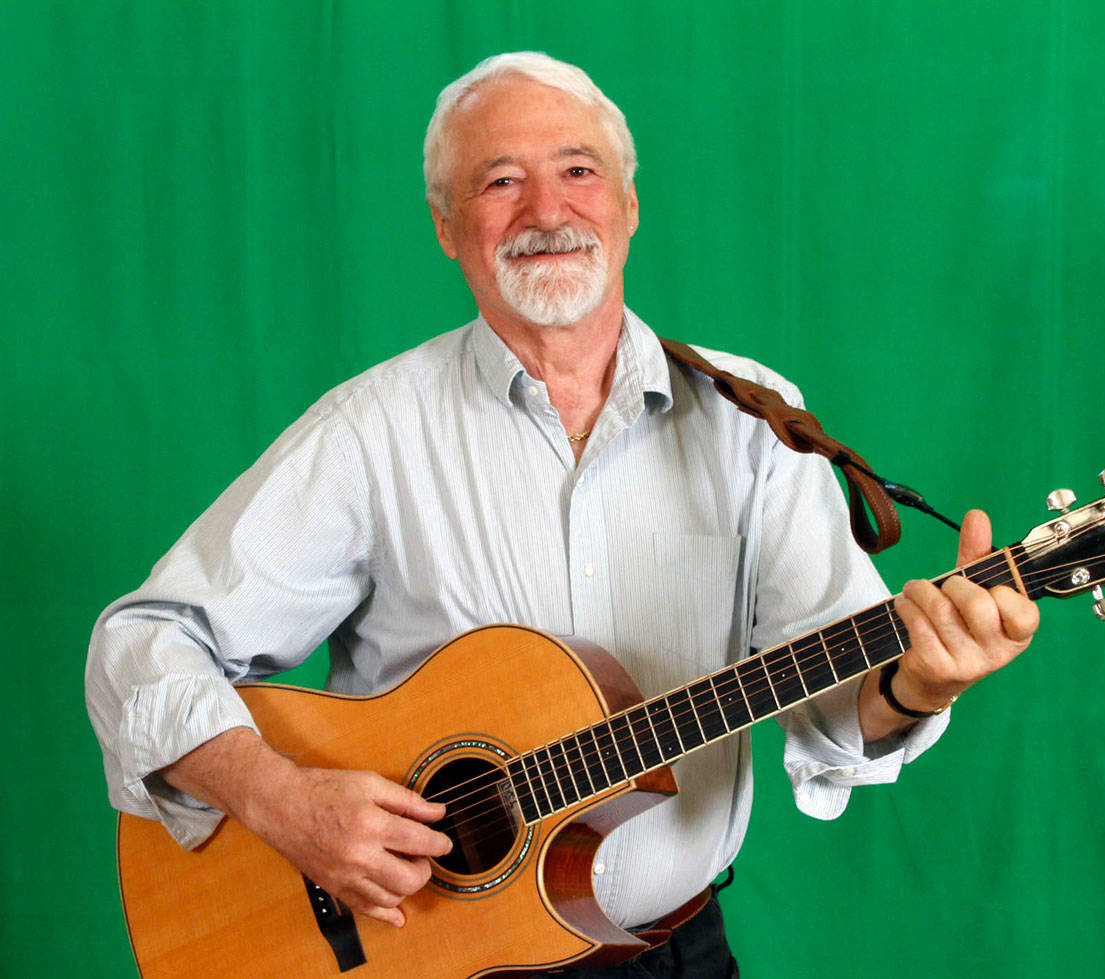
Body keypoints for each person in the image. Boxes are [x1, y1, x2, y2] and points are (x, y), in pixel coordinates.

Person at [86, 51, 1039, 976]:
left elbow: (839, 701)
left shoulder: (751, 420)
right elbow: (141, 646)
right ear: (447, 226)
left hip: (670, 953)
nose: (547, 211)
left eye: (578, 170)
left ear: (627, 206)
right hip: (418, 959)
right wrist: (282, 798)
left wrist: (919, 683)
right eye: (500, 182)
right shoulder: (368, 435)